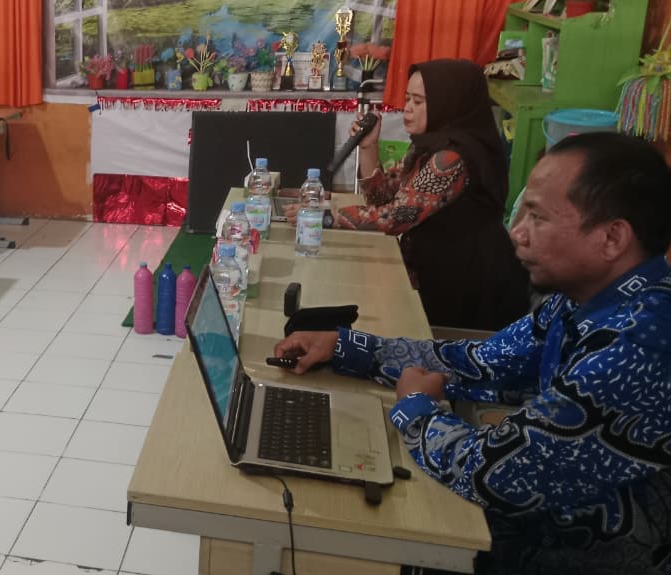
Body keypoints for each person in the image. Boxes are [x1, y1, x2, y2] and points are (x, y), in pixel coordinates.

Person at [273, 133, 671, 575]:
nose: (516, 232)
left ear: (613, 237)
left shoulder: (637, 344)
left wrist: (416, 409)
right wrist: (349, 347)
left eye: (538, 217)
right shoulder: (586, 300)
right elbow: (485, 362)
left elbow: (494, 472)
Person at [302, 59, 528, 331]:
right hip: (440, 268)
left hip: (468, 280)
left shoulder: (451, 158)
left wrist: (328, 217)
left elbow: (397, 216)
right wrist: (369, 147)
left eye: (418, 101)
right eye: (408, 98)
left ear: (449, 103)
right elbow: (382, 198)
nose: (407, 108)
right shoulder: (428, 146)